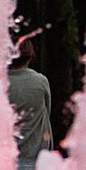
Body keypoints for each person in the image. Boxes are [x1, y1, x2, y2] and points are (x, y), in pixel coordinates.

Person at [8, 26, 54, 160]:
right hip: (37, 154)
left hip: (8, 158)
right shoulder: (40, 81)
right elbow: (47, 111)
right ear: (30, 56)